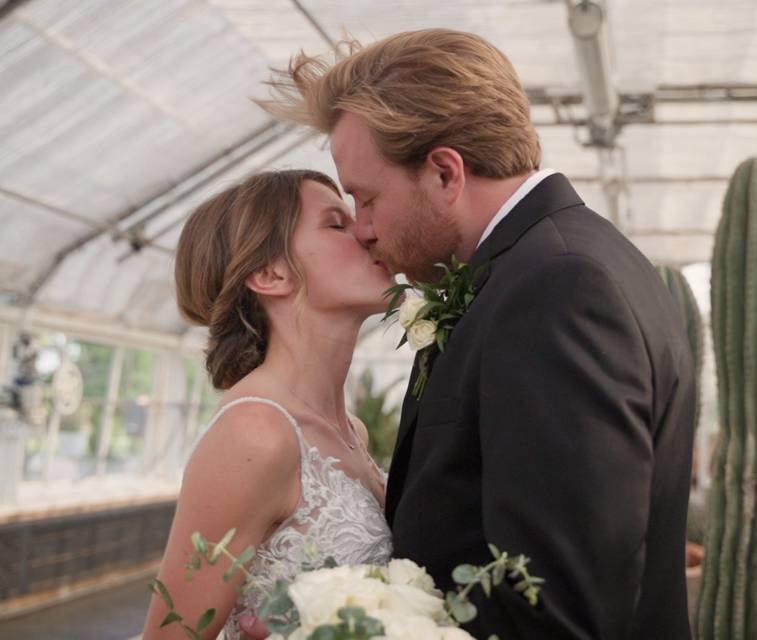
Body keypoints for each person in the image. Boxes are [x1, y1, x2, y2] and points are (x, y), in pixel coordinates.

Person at [256, 28, 698, 639]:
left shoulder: (558, 290)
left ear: (444, 173)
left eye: (366, 198)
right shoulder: (542, 270)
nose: (361, 229)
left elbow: (557, 616)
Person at [141, 169, 395, 639]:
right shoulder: (255, 433)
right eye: (336, 224)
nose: (366, 230)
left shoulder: (352, 432)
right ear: (270, 274)